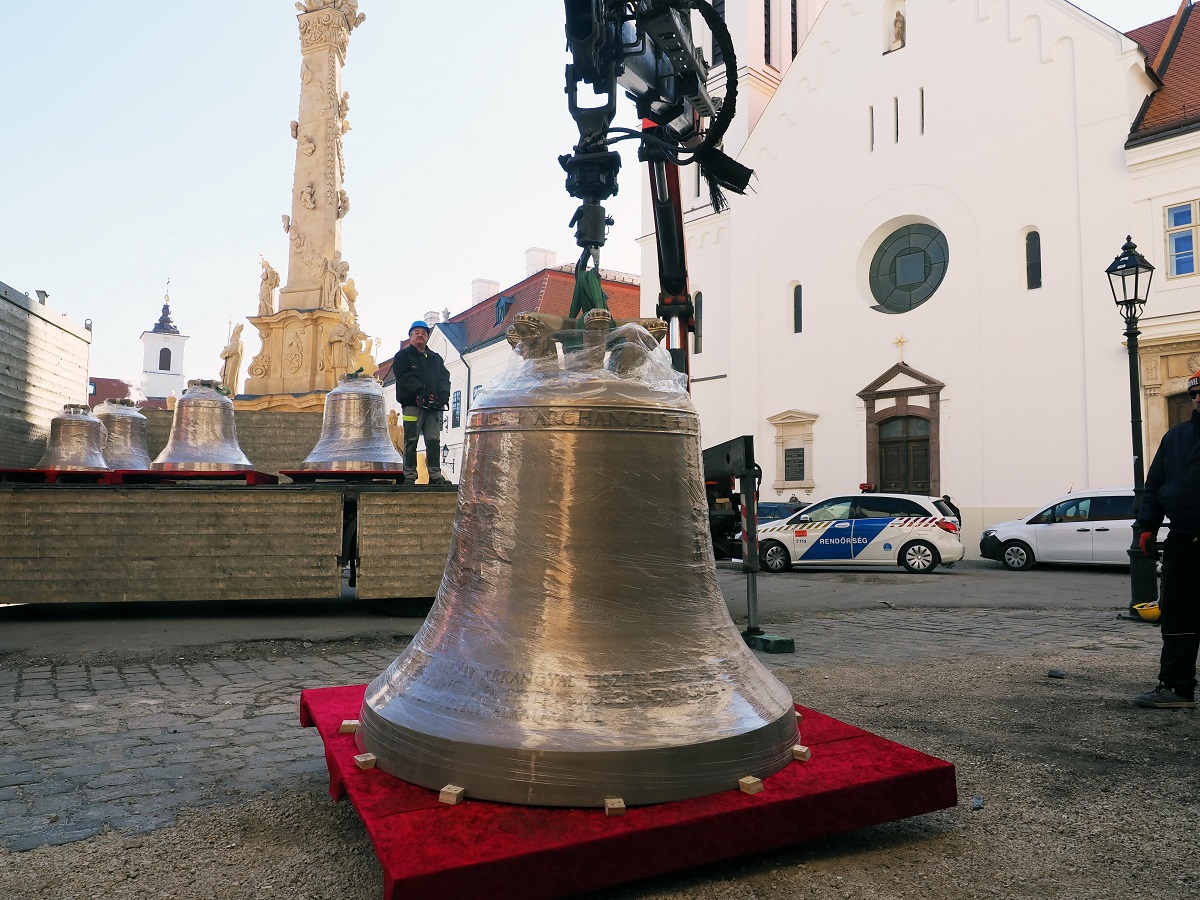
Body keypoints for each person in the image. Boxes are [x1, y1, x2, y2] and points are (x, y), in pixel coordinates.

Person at [1133, 368, 1200, 709]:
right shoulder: (1175, 439)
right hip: (1183, 541)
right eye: (1194, 393)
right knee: (1177, 615)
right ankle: (1176, 687)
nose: (1198, 397)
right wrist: (1147, 525)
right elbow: (1155, 484)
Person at [394, 320, 451, 484]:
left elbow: (444, 378)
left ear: (427, 337)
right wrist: (420, 391)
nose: (420, 335)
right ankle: (410, 475)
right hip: (412, 405)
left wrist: (443, 394)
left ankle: (435, 475)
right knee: (410, 440)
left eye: (423, 333)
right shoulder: (403, 356)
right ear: (410, 336)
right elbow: (404, 376)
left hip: (433, 407)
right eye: (416, 332)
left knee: (433, 440)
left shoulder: (435, 358)